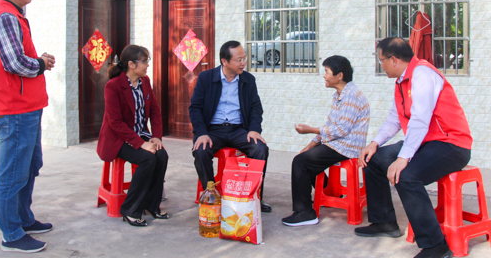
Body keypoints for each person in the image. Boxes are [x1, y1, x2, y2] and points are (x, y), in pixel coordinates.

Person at [355, 37, 472, 258]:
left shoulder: (422, 75)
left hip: (451, 144)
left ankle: (436, 246)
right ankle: (384, 222)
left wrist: (403, 158)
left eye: (381, 61)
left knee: (406, 176)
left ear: (394, 60)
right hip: (425, 142)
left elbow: (420, 120)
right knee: (374, 159)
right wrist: (374, 143)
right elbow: (394, 118)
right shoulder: (402, 81)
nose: (381, 65)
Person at [0, 0, 56, 253]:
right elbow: (15, 63)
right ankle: (11, 235)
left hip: (27, 106)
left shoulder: (15, 15)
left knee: (29, 167)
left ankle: (24, 219)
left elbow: (18, 57)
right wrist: (41, 63)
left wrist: (39, 61)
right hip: (13, 109)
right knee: (13, 173)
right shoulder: (5, 17)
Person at [282, 55, 370, 226]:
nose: (324, 76)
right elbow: (329, 125)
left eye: (327, 72)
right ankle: (330, 193)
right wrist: (311, 144)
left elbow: (341, 130)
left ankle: (305, 213)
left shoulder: (351, 96)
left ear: (340, 75)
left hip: (347, 146)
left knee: (300, 162)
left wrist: (310, 130)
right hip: (338, 143)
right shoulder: (339, 95)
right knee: (305, 157)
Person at [190, 40, 271, 212]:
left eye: (244, 58)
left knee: (260, 149)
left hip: (238, 129)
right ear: (224, 61)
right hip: (213, 130)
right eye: (239, 60)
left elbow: (256, 108)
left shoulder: (248, 79)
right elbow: (195, 108)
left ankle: (254, 196)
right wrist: (201, 133)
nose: (243, 63)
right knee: (201, 151)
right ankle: (211, 194)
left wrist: (254, 130)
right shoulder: (206, 78)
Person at [97, 45, 168, 227]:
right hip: (118, 138)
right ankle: (130, 210)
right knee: (147, 159)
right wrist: (141, 144)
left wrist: (156, 137)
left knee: (161, 155)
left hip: (140, 134)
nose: (147, 65)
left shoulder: (145, 81)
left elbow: (155, 111)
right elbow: (115, 123)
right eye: (145, 61)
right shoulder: (113, 86)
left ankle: (152, 205)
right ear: (131, 64)